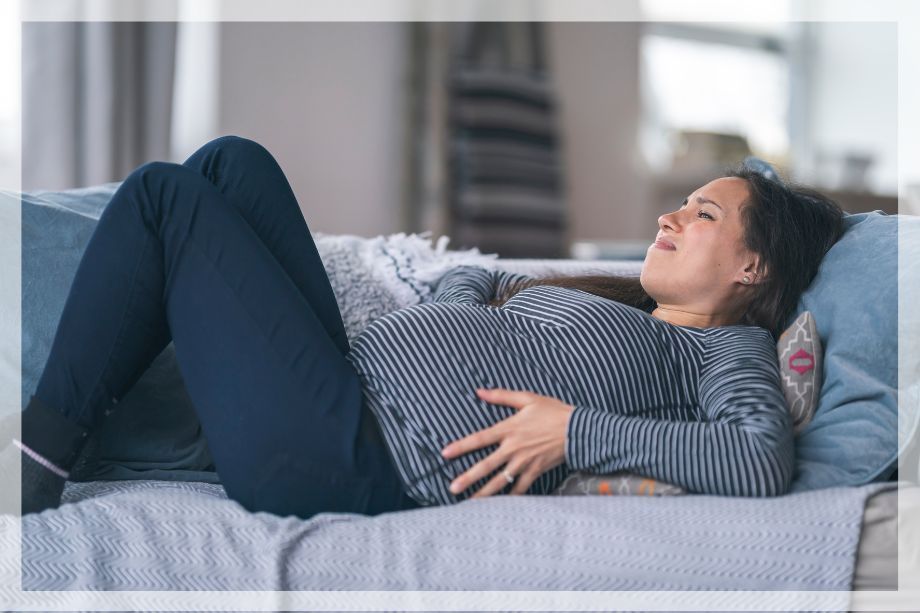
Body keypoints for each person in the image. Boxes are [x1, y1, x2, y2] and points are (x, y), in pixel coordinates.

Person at [9, 135, 844, 519]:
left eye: (701, 213)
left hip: (355, 455)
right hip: (340, 383)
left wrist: (572, 433)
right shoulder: (619, 303)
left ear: (752, 268)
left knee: (165, 195)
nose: (669, 214)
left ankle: (34, 458)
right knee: (234, 163)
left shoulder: (723, 348)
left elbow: (758, 455)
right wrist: (462, 308)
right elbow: (473, 278)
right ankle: (137, 426)